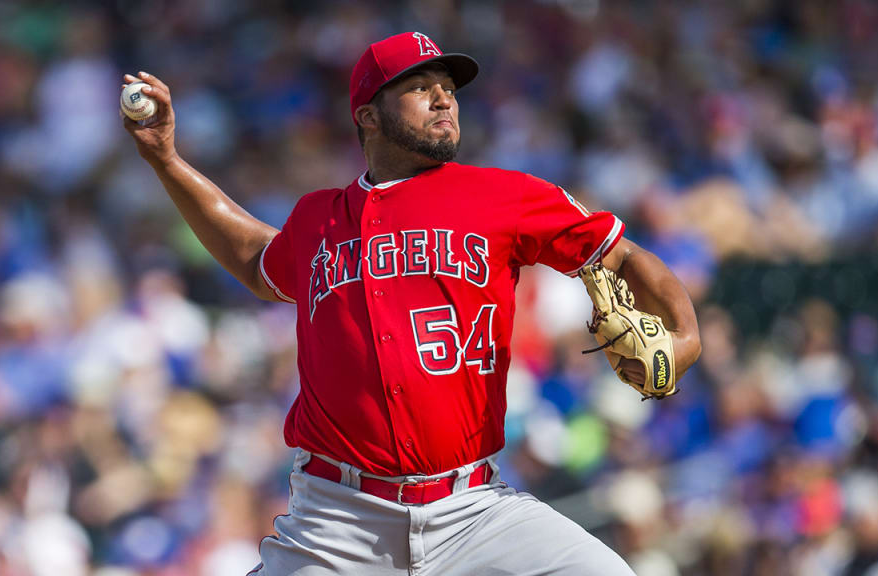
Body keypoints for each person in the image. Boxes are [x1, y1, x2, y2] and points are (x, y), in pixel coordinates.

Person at [123, 31, 700, 576]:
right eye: (419, 88)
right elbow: (255, 260)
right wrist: (167, 161)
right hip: (338, 517)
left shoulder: (504, 195)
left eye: (448, 89)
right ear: (367, 115)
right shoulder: (318, 217)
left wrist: (684, 336)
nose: (443, 99)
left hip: (475, 510)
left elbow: (620, 255)